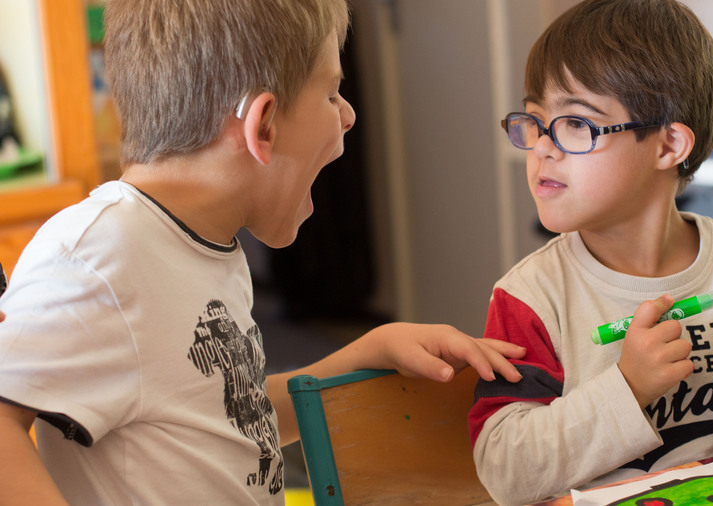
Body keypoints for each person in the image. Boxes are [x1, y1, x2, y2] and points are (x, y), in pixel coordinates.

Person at [0, 0, 525, 504]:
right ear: (264, 125)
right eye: (332, 94)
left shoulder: (203, 245)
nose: (348, 116)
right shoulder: (95, 258)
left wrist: (367, 353)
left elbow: (227, 420)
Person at [466, 1, 713, 504]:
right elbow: (505, 470)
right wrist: (627, 387)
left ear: (668, 146)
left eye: (576, 124)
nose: (541, 148)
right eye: (535, 122)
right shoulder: (531, 298)